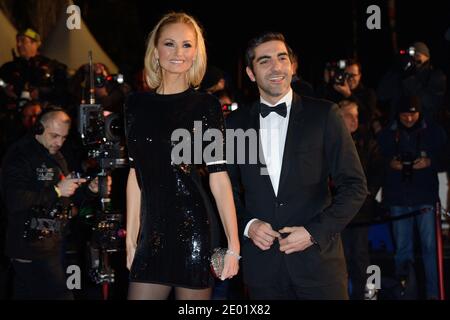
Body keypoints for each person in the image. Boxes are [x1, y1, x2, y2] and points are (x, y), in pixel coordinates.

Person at [226, 32, 367, 300]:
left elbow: (355, 186)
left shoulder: (325, 115)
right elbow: (225, 189)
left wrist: (314, 232)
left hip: (319, 268)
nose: (276, 67)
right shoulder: (235, 124)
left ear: (292, 65)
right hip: (263, 271)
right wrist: (248, 225)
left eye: (282, 58)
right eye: (265, 61)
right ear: (251, 73)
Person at [125, 12, 240, 300]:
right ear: (156, 50)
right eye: (170, 44)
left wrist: (233, 246)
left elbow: (219, 178)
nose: (178, 53)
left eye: (187, 45)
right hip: (150, 233)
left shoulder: (206, 105)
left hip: (193, 230)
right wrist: (130, 239)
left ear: (196, 53)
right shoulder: (134, 104)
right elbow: (134, 175)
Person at [1, 106, 102, 299]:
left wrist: (88, 190)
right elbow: (15, 200)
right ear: (39, 128)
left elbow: (66, 199)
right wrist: (56, 190)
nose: (59, 142)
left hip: (52, 243)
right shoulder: (20, 155)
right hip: (30, 247)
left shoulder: (56, 155)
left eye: (63, 137)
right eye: (54, 135)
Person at [377, 95, 446, 299]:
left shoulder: (434, 131)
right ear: (397, 114)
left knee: (430, 249)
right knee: (402, 250)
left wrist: (430, 161)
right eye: (405, 114)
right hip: (398, 199)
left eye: (413, 113)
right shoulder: (388, 134)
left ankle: (434, 294)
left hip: (425, 198)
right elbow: (376, 160)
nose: (409, 118)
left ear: (420, 112)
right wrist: (391, 164)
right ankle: (405, 293)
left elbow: (445, 158)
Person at [338, 100, 382, 299]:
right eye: (350, 116)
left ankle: (368, 296)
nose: (355, 121)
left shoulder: (367, 142)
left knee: (361, 255)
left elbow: (378, 171)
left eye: (357, 116)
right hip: (337, 212)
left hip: (361, 211)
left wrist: (368, 192)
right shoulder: (330, 141)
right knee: (341, 257)